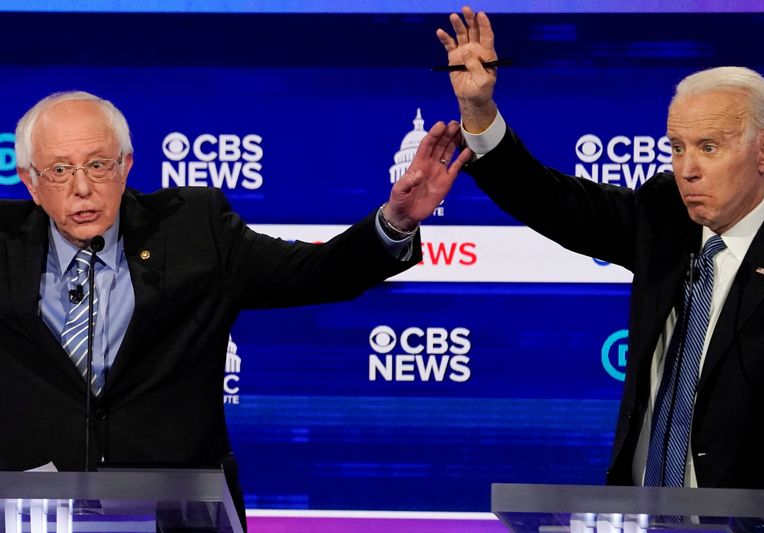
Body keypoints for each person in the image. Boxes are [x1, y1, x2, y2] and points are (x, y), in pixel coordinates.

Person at [1, 91, 472, 529]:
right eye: (59, 171)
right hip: (30, 514)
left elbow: (314, 272)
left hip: (178, 514)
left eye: (98, 165)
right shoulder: (5, 245)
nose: (82, 187)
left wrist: (396, 222)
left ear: (126, 167)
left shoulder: (192, 229)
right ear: (30, 181)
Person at [437, 6, 764, 503]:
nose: (687, 168)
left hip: (755, 516)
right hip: (641, 511)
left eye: (709, 147)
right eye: (676, 147)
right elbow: (551, 200)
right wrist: (479, 112)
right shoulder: (663, 215)